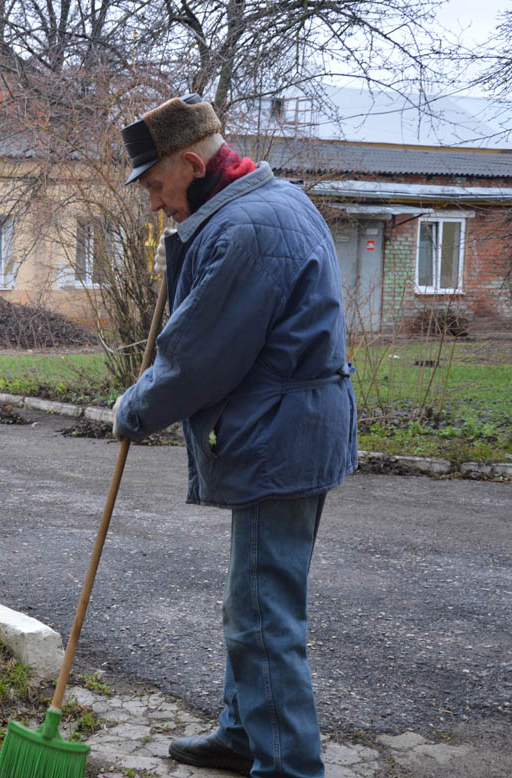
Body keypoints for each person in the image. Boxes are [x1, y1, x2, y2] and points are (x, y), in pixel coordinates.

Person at [113, 94, 357, 778]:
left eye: (156, 185)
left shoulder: (246, 229)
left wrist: (133, 409)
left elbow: (199, 359)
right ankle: (244, 731)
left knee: (261, 611)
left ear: (193, 166)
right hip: (291, 428)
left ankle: (287, 765)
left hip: (280, 435)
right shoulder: (273, 203)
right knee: (252, 596)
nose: (154, 203)